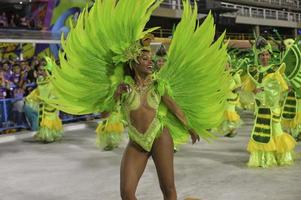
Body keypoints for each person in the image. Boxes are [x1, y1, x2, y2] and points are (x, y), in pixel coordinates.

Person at [47, 0, 229, 199]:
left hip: (159, 136)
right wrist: (115, 96)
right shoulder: (122, 87)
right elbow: (105, 114)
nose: (149, 61)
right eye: (144, 59)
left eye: (150, 58)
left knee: (168, 188)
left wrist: (190, 127)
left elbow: (175, 109)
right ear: (133, 62)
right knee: (126, 193)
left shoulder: (158, 85)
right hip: (137, 141)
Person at [244, 36, 296, 168]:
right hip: (261, 107)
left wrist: (268, 89)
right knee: (262, 132)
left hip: (273, 107)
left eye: (267, 54)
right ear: (258, 56)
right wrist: (256, 91)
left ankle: (281, 156)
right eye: (262, 55)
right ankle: (265, 158)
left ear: (270, 55)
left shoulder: (275, 70)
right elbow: (249, 89)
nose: (265, 57)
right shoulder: (253, 71)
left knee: (277, 131)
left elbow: (283, 88)